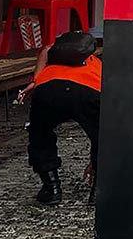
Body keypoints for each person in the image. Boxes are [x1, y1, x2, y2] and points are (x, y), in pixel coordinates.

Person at [17, 31, 102, 206]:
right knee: (102, 135)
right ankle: (98, 190)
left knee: (39, 133)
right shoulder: (96, 62)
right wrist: (97, 162)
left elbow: (45, 50)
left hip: (49, 90)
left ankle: (52, 188)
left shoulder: (52, 56)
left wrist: (35, 81)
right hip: (87, 91)